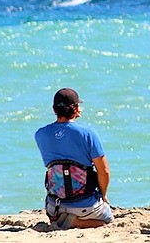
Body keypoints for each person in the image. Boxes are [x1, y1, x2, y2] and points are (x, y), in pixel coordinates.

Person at [35, 88, 113, 229]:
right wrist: (103, 195)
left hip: (55, 206)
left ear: (54, 109)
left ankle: (60, 218)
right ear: (76, 108)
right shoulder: (88, 133)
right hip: (85, 205)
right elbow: (104, 171)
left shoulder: (41, 134)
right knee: (108, 219)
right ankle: (77, 222)